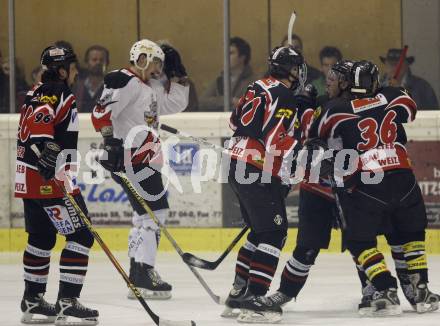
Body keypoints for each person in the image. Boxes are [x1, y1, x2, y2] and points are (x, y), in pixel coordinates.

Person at [309, 60, 439, 316]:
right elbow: (410, 110)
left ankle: (385, 288)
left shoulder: (336, 109)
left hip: (368, 181)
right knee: (411, 236)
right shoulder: (393, 96)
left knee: (359, 241)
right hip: (403, 178)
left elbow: (316, 138)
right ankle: (421, 289)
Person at [91, 39, 189, 300]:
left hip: (145, 158)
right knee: (155, 212)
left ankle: (138, 271)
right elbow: (101, 113)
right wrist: (111, 142)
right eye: (157, 62)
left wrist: (178, 77)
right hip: (132, 159)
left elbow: (174, 105)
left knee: (144, 216)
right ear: (143, 58)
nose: (159, 68)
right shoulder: (124, 80)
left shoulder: (149, 87)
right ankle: (144, 273)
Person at [222, 45, 309, 323]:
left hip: (237, 163)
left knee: (260, 232)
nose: (299, 73)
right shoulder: (283, 95)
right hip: (256, 167)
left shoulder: (256, 85)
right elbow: (274, 142)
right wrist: (302, 145)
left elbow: (234, 122)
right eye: (295, 68)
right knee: (274, 233)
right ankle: (255, 300)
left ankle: (238, 294)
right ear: (288, 69)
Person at [15, 45, 98, 324]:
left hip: (28, 179)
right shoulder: (58, 91)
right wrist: (49, 156)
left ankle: (32, 299)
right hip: (50, 180)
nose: (75, 73)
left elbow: (36, 130)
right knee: (82, 235)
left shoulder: (33, 91)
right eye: (72, 68)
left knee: (41, 238)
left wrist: (45, 154)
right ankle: (67, 301)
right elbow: (41, 134)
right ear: (62, 71)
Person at [199, 36, 255, 111]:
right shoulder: (220, 80)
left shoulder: (254, 81)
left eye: (231, 53)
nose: (226, 57)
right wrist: (229, 101)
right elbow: (202, 102)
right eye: (225, 53)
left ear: (242, 57)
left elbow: (254, 106)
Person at [73, 45, 109, 112]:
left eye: (101, 60)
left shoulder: (112, 88)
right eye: (94, 60)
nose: (98, 63)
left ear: (107, 63)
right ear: (87, 63)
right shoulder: (76, 87)